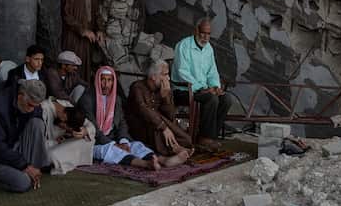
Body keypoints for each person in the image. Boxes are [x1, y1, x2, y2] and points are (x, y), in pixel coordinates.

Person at [0, 79, 51, 193]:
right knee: (23, 183)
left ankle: (33, 170)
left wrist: (26, 165)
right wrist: (24, 166)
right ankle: (23, 173)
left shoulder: (29, 104)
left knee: (37, 123)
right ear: (20, 96)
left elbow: (36, 113)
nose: (32, 109)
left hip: (10, 146)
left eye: (36, 106)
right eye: (30, 105)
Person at [79, 66, 165, 171]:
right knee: (110, 150)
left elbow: (122, 123)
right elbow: (93, 129)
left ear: (113, 82)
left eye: (109, 80)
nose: (106, 84)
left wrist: (123, 141)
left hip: (113, 138)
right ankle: (144, 164)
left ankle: (161, 160)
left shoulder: (116, 99)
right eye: (103, 80)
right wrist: (114, 144)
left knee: (136, 145)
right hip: (94, 141)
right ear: (97, 81)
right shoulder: (87, 99)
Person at [172, 18, 232, 148]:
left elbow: (212, 72)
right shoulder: (183, 45)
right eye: (203, 33)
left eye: (208, 34)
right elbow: (183, 73)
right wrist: (202, 88)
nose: (205, 37)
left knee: (227, 99)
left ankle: (211, 136)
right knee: (212, 98)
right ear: (196, 31)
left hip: (203, 90)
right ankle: (204, 138)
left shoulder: (208, 49)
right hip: (183, 90)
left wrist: (215, 86)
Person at [126, 61, 194, 164]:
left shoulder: (165, 89)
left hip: (158, 125)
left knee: (187, 139)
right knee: (154, 122)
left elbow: (170, 116)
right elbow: (144, 110)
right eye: (165, 74)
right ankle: (173, 150)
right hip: (140, 128)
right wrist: (164, 127)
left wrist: (165, 97)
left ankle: (174, 148)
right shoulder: (137, 87)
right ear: (154, 76)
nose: (168, 78)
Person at [61, 0, 102, 69]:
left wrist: (99, 29)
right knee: (72, 67)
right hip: (73, 37)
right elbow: (66, 15)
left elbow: (96, 12)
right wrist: (83, 30)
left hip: (88, 38)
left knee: (85, 67)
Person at [40, 97, 94, 174]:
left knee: (88, 140)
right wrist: (55, 142)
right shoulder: (44, 110)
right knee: (51, 155)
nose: (64, 129)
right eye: (65, 127)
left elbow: (91, 126)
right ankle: (59, 162)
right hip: (50, 147)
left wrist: (84, 131)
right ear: (64, 117)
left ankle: (63, 161)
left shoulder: (68, 106)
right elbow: (38, 143)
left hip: (62, 145)